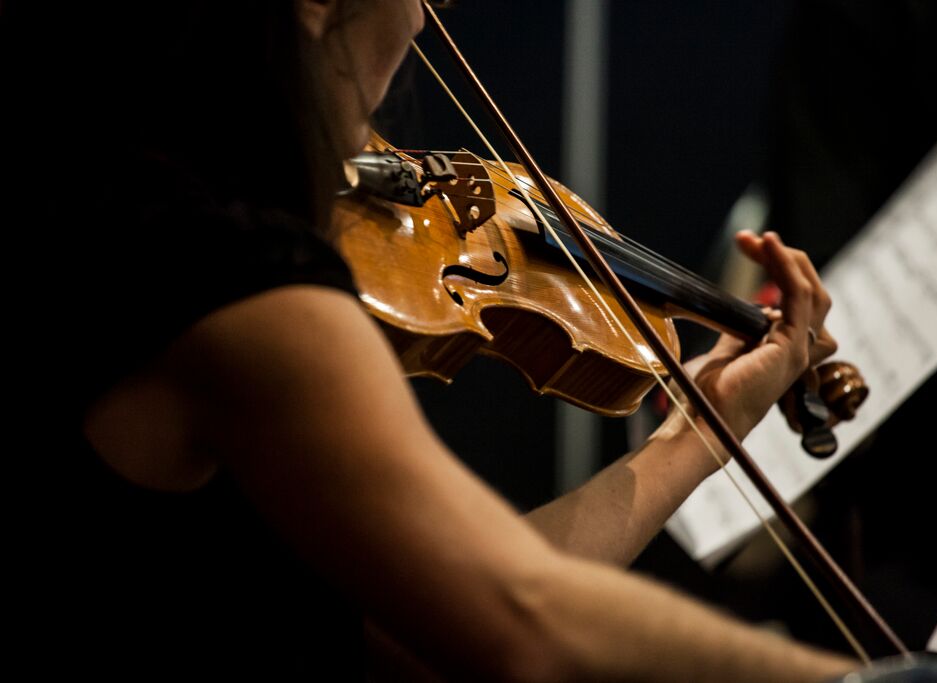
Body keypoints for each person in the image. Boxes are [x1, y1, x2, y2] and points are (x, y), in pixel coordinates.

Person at [5, 0, 855, 679]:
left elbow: (426, 624)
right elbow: (524, 621)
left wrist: (698, 431)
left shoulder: (113, 202)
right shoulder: (236, 285)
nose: (424, 18)